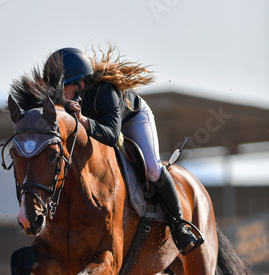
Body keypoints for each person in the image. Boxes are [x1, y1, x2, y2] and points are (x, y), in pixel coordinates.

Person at [48, 46, 199, 255]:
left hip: (131, 119)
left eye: (64, 88)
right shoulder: (65, 99)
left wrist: (82, 120)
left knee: (153, 169)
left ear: (81, 83)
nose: (60, 95)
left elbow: (111, 135)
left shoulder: (105, 92)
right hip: (101, 125)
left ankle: (179, 225)